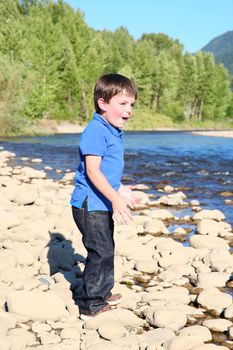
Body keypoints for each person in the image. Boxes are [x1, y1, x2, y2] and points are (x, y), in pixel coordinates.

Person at [70, 73, 139, 320]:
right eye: (122, 104)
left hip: (102, 201)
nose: (129, 110)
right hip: (90, 204)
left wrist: (119, 190)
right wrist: (115, 198)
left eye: (131, 104)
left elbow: (108, 172)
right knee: (99, 250)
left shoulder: (113, 130)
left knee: (107, 247)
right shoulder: (95, 131)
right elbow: (92, 171)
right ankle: (91, 304)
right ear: (102, 103)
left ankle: (103, 291)